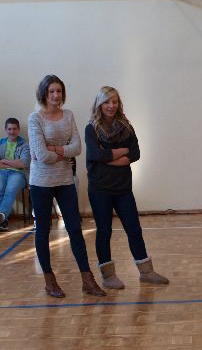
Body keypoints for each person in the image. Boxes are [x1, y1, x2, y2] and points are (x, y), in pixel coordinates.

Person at [28, 75, 106, 298]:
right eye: (51, 91)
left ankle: (87, 280)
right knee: (43, 231)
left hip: (65, 180)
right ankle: (49, 281)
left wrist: (55, 149)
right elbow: (41, 155)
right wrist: (63, 151)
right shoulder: (35, 118)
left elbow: (78, 148)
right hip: (41, 183)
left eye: (59, 91)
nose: (56, 95)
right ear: (44, 94)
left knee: (75, 230)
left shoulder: (68, 115)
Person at [85, 86, 169, 289]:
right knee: (104, 231)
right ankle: (108, 276)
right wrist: (122, 152)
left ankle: (146, 272)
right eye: (106, 102)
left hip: (123, 188)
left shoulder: (126, 126)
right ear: (99, 104)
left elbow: (135, 153)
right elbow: (97, 155)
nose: (111, 105)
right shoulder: (91, 129)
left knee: (134, 229)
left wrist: (111, 157)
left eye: (114, 101)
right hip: (100, 189)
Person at [0, 118, 31, 231]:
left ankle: (2, 216)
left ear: (18, 130)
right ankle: (2, 221)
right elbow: (18, 163)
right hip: (2, 172)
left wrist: (4, 161)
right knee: (0, 190)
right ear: (5, 130)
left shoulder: (24, 144)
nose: (12, 132)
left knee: (10, 190)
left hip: (18, 173)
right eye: (9, 129)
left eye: (14, 129)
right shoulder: (1, 143)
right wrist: (14, 163)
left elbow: (23, 163)